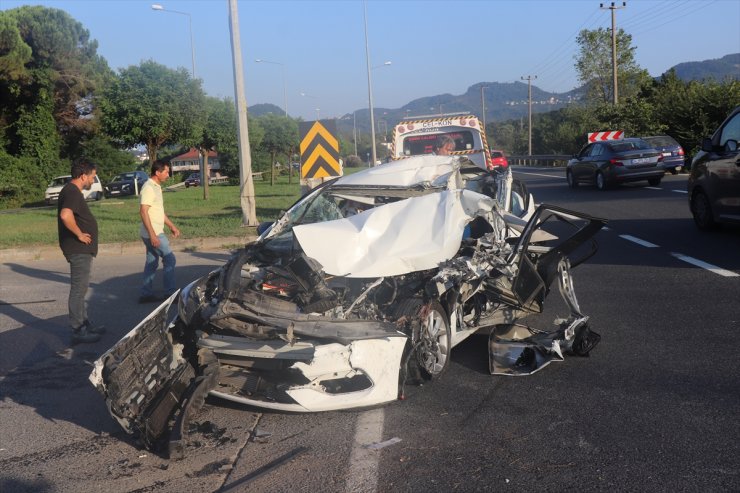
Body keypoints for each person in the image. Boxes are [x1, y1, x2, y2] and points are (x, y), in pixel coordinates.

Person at [57, 159, 105, 344]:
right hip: (78, 249)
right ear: (83, 175)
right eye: (93, 176)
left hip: (80, 249)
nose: (93, 180)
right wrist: (79, 234)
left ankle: (85, 324)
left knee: (82, 288)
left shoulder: (71, 191)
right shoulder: (72, 191)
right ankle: (78, 330)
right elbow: (65, 215)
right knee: (78, 290)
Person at [139, 160, 180, 303]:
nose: (168, 175)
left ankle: (145, 294)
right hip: (153, 233)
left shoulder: (156, 187)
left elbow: (158, 212)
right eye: (166, 172)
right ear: (157, 172)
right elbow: (143, 212)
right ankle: (170, 294)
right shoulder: (149, 188)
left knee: (151, 262)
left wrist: (171, 226)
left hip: (153, 232)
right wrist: (152, 235)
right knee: (170, 259)